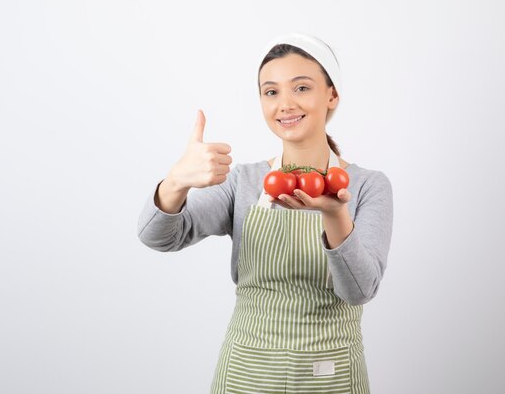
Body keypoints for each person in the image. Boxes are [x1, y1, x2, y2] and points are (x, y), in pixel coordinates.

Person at [137, 33, 394, 394]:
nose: (285, 104)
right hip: (245, 374)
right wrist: (175, 183)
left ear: (331, 95)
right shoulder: (244, 181)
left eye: (301, 88)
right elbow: (159, 237)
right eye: (271, 92)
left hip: (330, 375)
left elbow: (359, 290)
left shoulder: (367, 186)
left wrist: (336, 215)